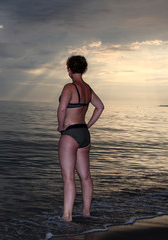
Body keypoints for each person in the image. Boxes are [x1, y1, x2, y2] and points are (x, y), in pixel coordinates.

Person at [57, 55, 104, 222]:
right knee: (85, 176)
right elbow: (100, 107)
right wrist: (88, 124)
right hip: (84, 133)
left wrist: (61, 126)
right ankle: (86, 211)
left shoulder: (69, 87)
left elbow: (62, 108)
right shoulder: (88, 89)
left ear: (69, 69)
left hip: (70, 133)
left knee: (68, 176)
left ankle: (67, 216)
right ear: (84, 70)